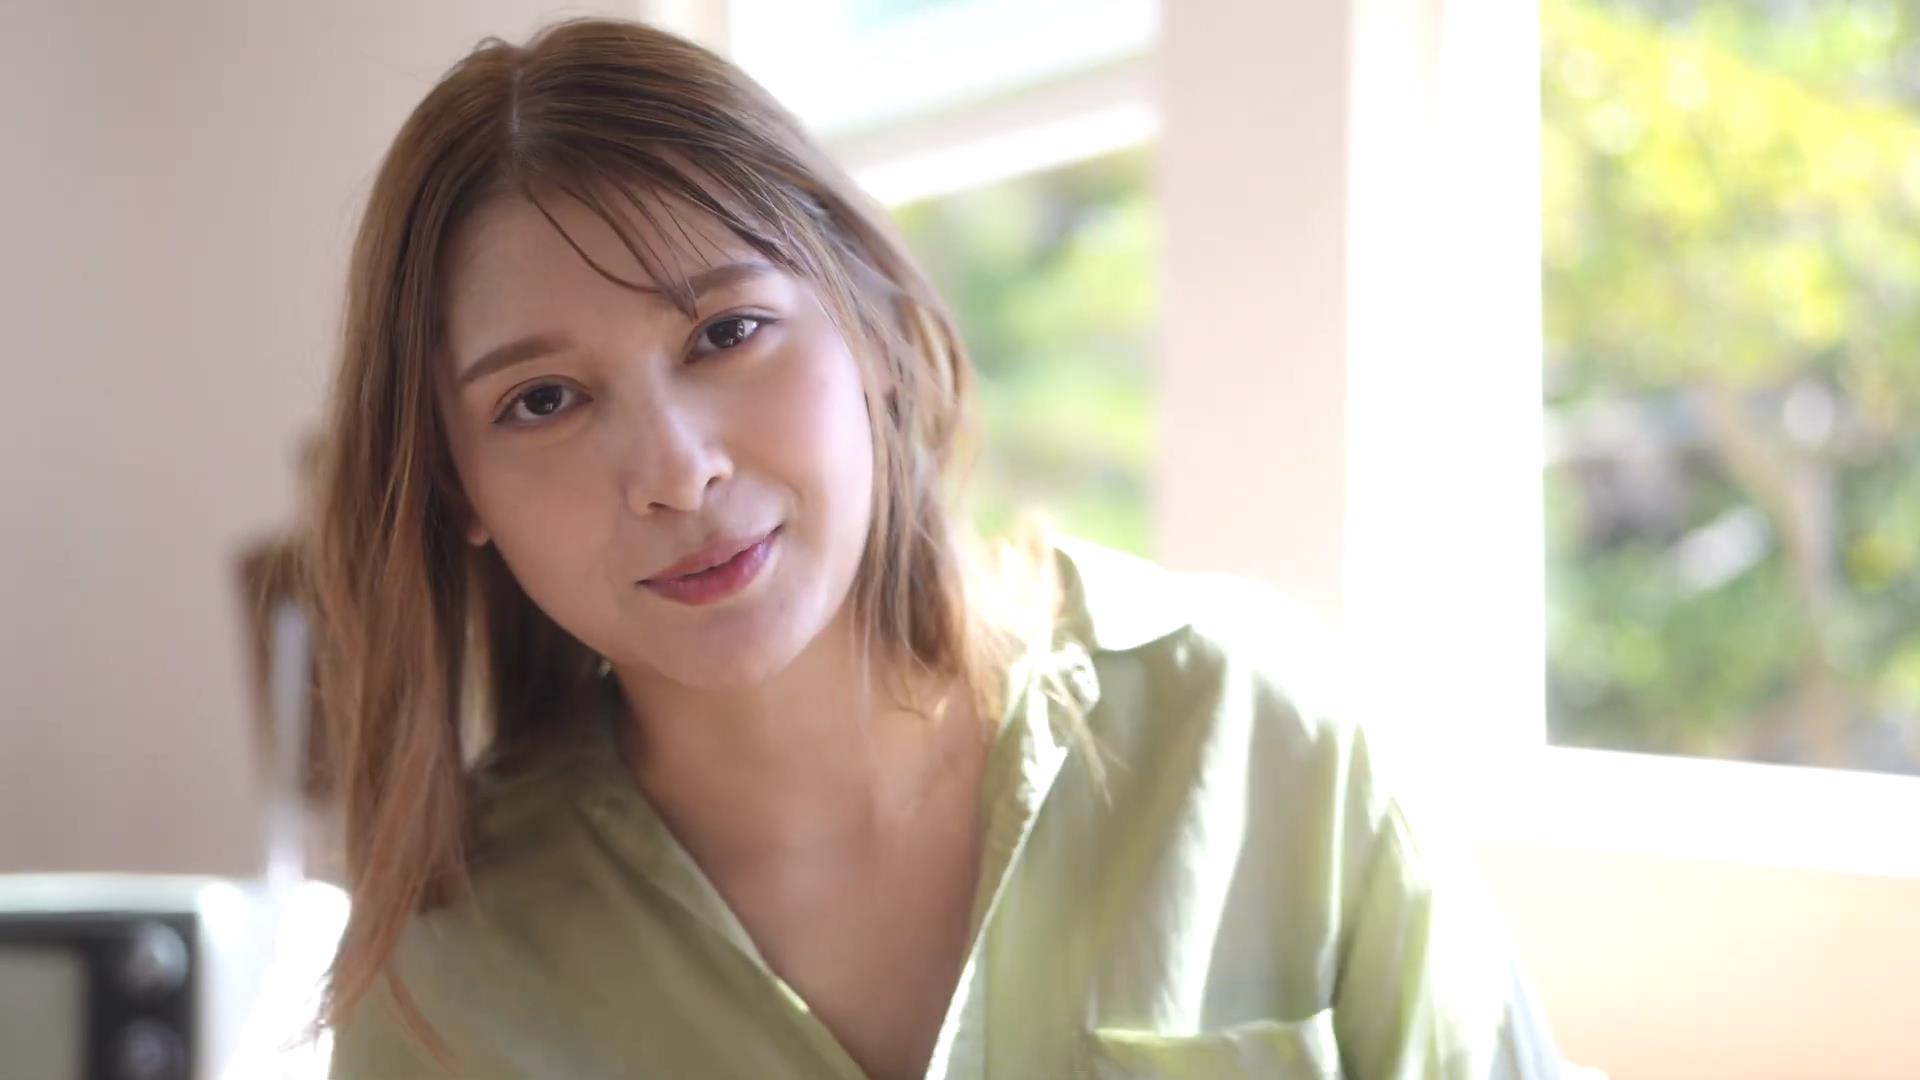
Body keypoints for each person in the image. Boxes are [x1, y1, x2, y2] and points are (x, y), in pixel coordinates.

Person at [311, 17, 1562, 1079]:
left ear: (867, 325)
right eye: (541, 401)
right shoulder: (444, 981)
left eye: (726, 332)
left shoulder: (1257, 731)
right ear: (455, 483)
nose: (676, 471)